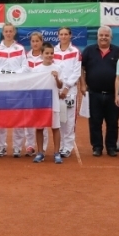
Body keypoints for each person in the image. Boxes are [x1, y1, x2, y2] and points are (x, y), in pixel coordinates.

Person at [80, 25, 119, 157]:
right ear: (97, 36)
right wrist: (82, 84)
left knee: (113, 122)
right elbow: (81, 68)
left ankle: (111, 147)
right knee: (95, 122)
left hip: (113, 94)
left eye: (106, 35)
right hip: (94, 93)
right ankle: (97, 147)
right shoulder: (88, 50)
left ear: (111, 37)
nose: (103, 38)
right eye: (101, 35)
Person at [0, 23, 27, 157]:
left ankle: (17, 148)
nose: (8, 33)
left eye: (10, 31)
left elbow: (25, 66)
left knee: (18, 118)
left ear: (14, 33)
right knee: (1, 120)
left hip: (17, 88)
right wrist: (3, 74)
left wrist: (13, 75)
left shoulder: (20, 48)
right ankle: (1, 147)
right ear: (3, 33)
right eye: (6, 31)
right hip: (1, 88)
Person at [30, 43, 65, 164]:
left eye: (51, 53)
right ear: (41, 54)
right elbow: (32, 86)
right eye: (47, 53)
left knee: (55, 128)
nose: (49, 55)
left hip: (53, 102)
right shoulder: (36, 70)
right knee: (39, 129)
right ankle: (40, 152)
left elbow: (61, 86)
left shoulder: (58, 68)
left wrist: (56, 78)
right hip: (40, 103)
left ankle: (56, 153)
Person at [52, 27, 81, 159]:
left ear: (70, 36)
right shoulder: (53, 51)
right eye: (61, 34)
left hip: (70, 92)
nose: (63, 36)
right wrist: (57, 88)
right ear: (58, 36)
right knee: (59, 119)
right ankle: (60, 145)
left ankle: (67, 147)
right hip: (55, 90)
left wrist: (66, 87)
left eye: (66, 34)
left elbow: (77, 72)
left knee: (69, 120)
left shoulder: (75, 51)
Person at [24, 31, 49, 156]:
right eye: (33, 41)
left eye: (37, 41)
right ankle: (30, 145)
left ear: (41, 42)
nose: (35, 43)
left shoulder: (46, 56)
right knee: (29, 120)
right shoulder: (25, 57)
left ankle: (42, 147)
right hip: (29, 93)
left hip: (43, 94)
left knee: (43, 121)